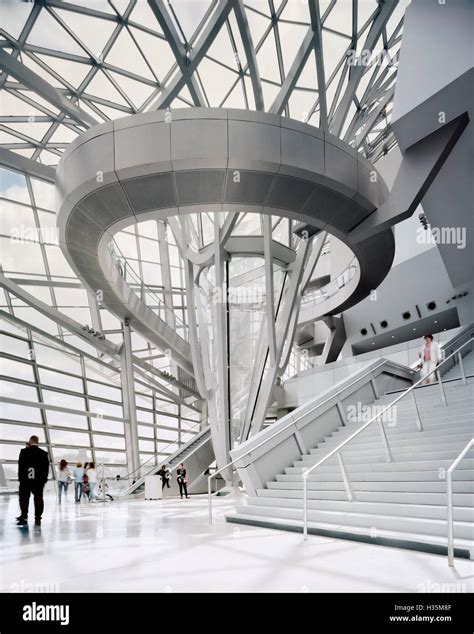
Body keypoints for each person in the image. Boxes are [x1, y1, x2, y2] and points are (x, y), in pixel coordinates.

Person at [16, 436, 49, 527]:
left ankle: (24, 516)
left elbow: (21, 467)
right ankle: (38, 518)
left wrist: (21, 479)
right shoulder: (43, 453)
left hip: (25, 481)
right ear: (37, 442)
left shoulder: (24, 452)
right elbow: (46, 469)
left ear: (30, 441)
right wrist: (43, 480)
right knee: (38, 498)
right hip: (38, 481)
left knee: (24, 499)